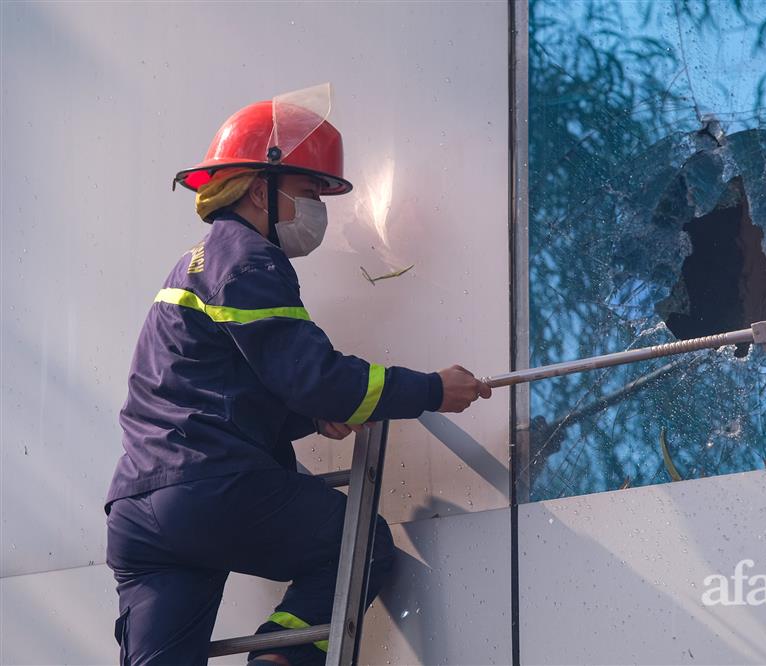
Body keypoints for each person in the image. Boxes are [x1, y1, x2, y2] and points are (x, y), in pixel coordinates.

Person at [104, 84, 491, 666]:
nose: (317, 211)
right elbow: (319, 379)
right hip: (212, 490)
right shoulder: (249, 260)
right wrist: (433, 389)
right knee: (360, 547)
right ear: (261, 189)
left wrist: (306, 417)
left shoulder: (194, 264)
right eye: (309, 192)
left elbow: (217, 392)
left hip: (140, 512)